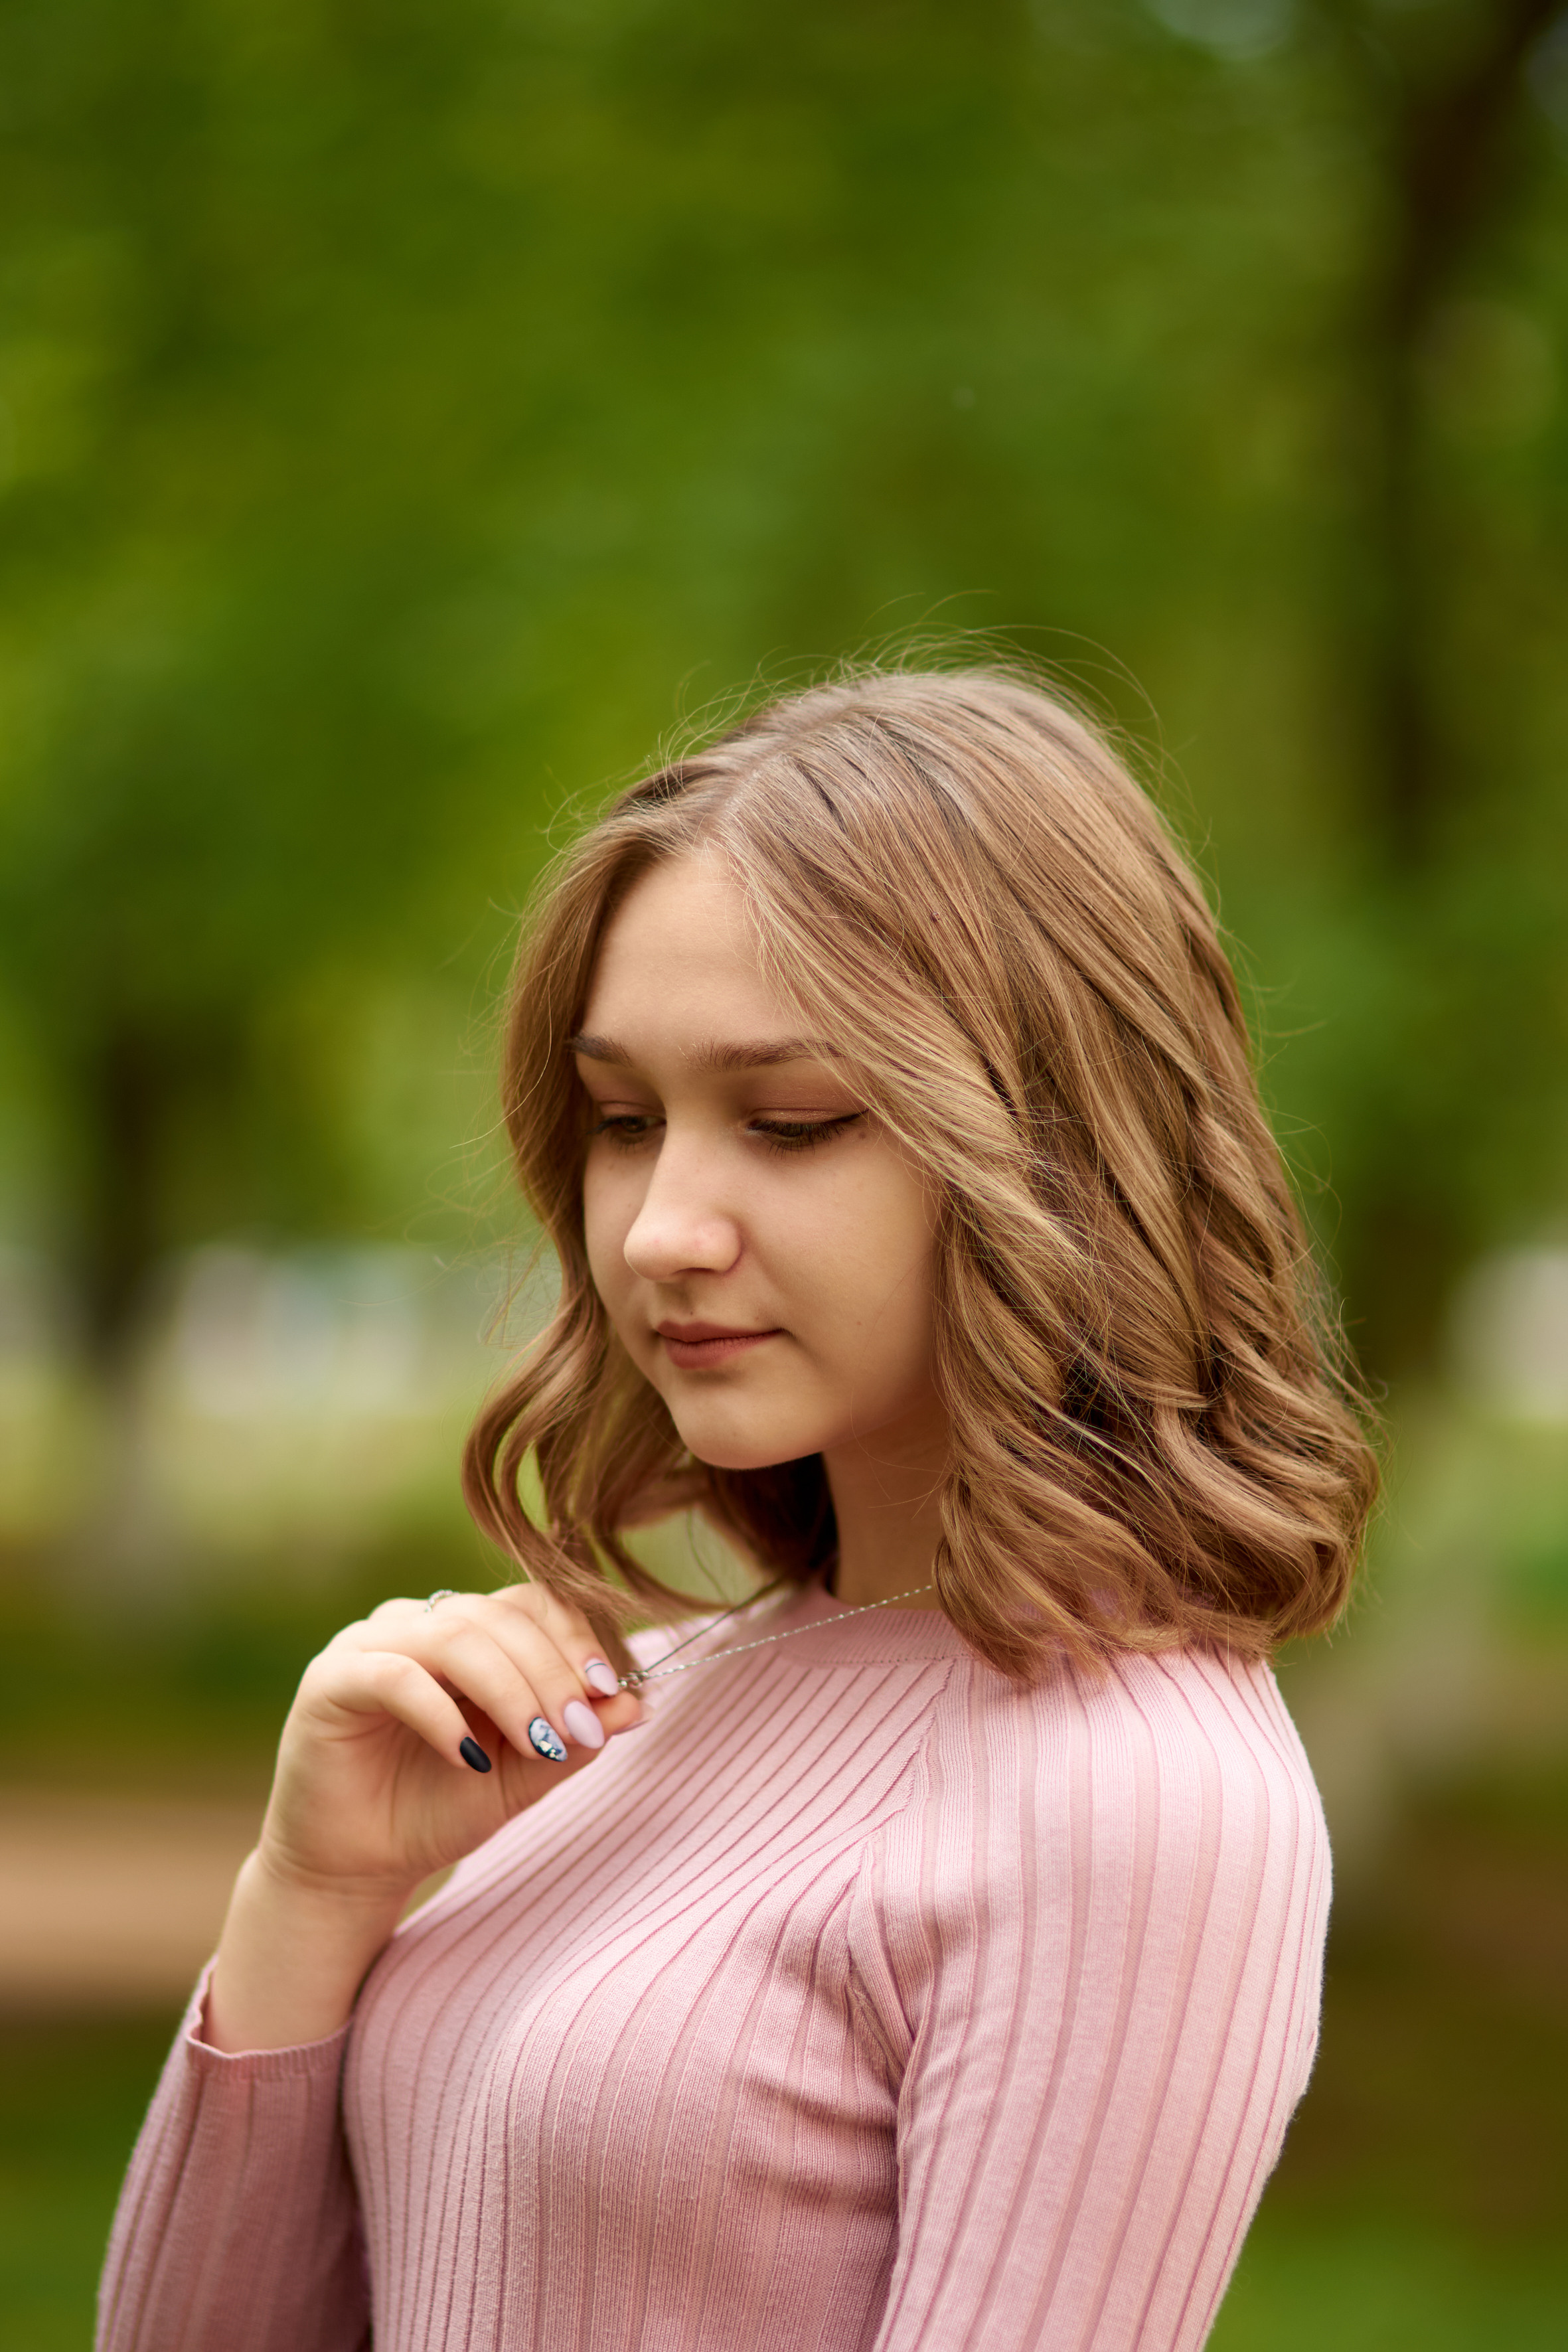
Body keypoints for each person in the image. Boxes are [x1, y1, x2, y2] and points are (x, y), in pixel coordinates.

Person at [98, 667, 1377, 2352]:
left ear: (1054, 1150)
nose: (655, 1227)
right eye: (625, 1120)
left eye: (788, 1121)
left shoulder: (1134, 1790)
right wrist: (311, 1893)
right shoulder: (654, 1703)